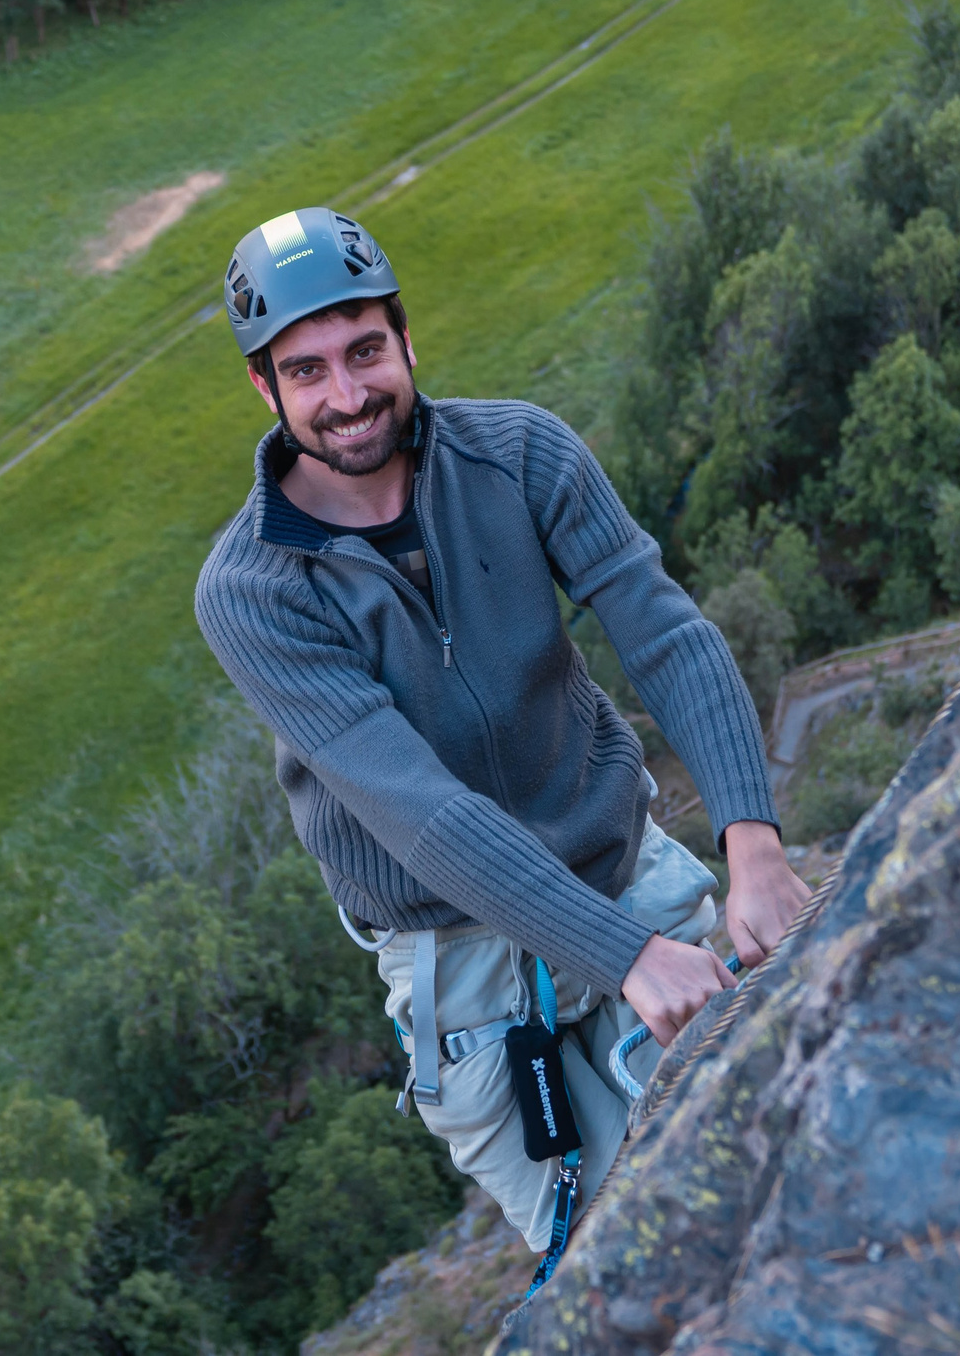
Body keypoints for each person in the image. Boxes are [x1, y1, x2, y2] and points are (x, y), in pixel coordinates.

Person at [193, 206, 810, 1269]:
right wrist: (625, 961)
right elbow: (421, 816)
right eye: (306, 372)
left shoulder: (517, 453)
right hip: (465, 972)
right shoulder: (253, 588)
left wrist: (753, 848)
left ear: (406, 339)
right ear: (264, 388)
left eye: (364, 352)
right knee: (640, 1268)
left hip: (621, 878)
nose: (345, 397)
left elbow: (662, 631)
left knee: (785, 1171)